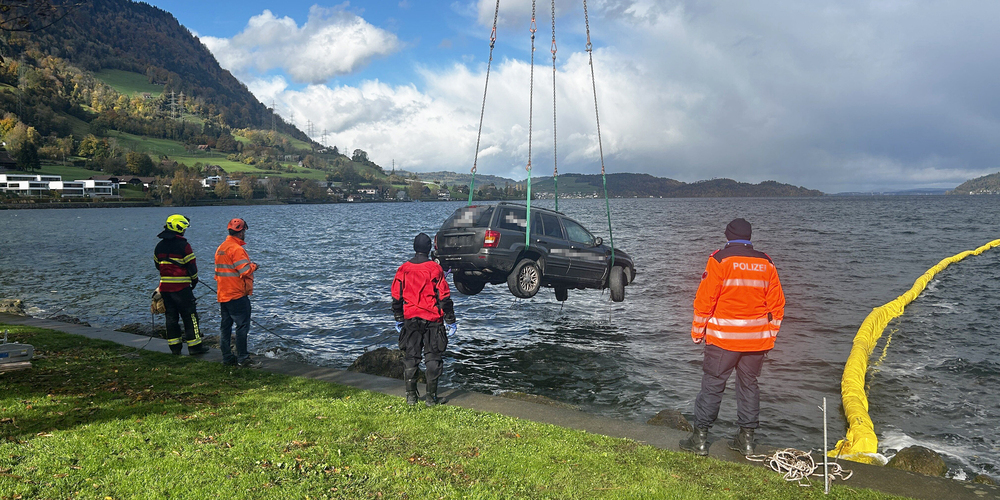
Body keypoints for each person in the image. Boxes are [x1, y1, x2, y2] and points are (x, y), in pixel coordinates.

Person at [680, 218, 785, 456]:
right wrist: (771, 335)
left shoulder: (719, 259)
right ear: (749, 237)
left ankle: (700, 440)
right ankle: (746, 440)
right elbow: (777, 304)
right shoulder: (766, 262)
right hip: (756, 341)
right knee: (749, 386)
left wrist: (697, 331)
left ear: (728, 236)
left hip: (723, 340)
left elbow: (705, 299)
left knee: (713, 386)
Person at [391, 233, 457, 406]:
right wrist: (450, 320)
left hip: (411, 318)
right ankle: (431, 398)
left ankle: (411, 397)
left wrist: (398, 317)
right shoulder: (435, 269)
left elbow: (396, 296)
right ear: (429, 249)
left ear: (415, 247)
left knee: (411, 357)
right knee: (433, 357)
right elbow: (444, 297)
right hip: (433, 319)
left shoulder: (403, 269)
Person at [154, 214, 210, 356]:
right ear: (178, 228)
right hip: (182, 289)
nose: (185, 231)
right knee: (190, 317)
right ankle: (195, 347)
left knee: (171, 318)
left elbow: (157, 265)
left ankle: (175, 348)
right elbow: (192, 267)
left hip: (165, 289)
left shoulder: (159, 246)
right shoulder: (184, 246)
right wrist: (194, 280)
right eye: (184, 228)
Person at [214, 218, 258, 367]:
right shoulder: (236, 249)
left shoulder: (221, 247)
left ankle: (227, 357)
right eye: (244, 231)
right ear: (241, 232)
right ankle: (243, 358)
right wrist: (254, 266)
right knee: (242, 326)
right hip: (237, 294)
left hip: (223, 293)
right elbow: (244, 271)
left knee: (225, 327)